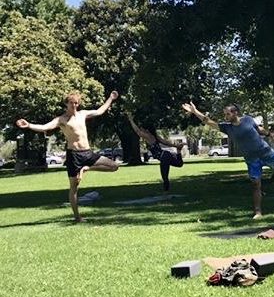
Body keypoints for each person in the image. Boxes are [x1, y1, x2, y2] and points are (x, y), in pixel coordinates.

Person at [16, 91, 121, 222]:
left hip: (87, 153)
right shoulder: (61, 119)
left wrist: (111, 98)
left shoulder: (83, 114)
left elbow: (100, 111)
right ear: (66, 103)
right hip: (74, 156)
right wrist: (29, 125)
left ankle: (87, 168)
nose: (74, 105)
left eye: (76, 103)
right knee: (74, 187)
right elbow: (44, 127)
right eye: (71, 103)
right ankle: (77, 217)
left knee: (114, 166)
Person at [181, 101, 274, 219]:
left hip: (265, 152)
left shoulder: (248, 119)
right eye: (225, 114)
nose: (225, 117)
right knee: (256, 185)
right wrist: (195, 111)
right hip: (252, 160)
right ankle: (258, 212)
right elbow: (208, 121)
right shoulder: (227, 128)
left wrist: (270, 134)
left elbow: (258, 129)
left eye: (228, 114)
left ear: (235, 113)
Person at [126, 112, 184, 193]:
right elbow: (165, 142)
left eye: (142, 129)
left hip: (163, 157)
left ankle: (166, 193)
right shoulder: (155, 136)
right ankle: (178, 152)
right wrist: (176, 146)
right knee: (179, 164)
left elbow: (137, 131)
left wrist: (131, 120)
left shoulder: (148, 136)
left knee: (165, 176)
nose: (141, 130)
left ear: (147, 130)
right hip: (166, 154)